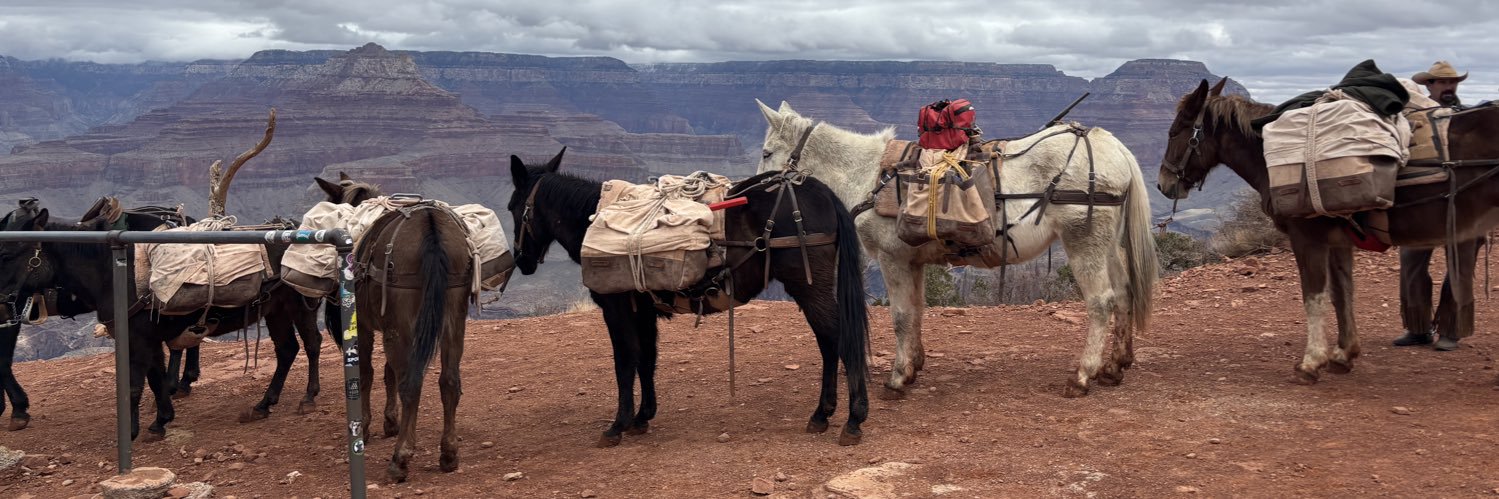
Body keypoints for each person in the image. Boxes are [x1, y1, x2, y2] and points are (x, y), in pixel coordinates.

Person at [1392, 61, 1487, 351]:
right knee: (1411, 266)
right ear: (1428, 85)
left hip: (1465, 207)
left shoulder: (1468, 118)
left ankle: (1451, 330)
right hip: (1421, 206)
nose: (1449, 87)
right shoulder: (1411, 121)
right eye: (1442, 82)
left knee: (1459, 269)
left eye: (1453, 82)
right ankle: (1417, 328)